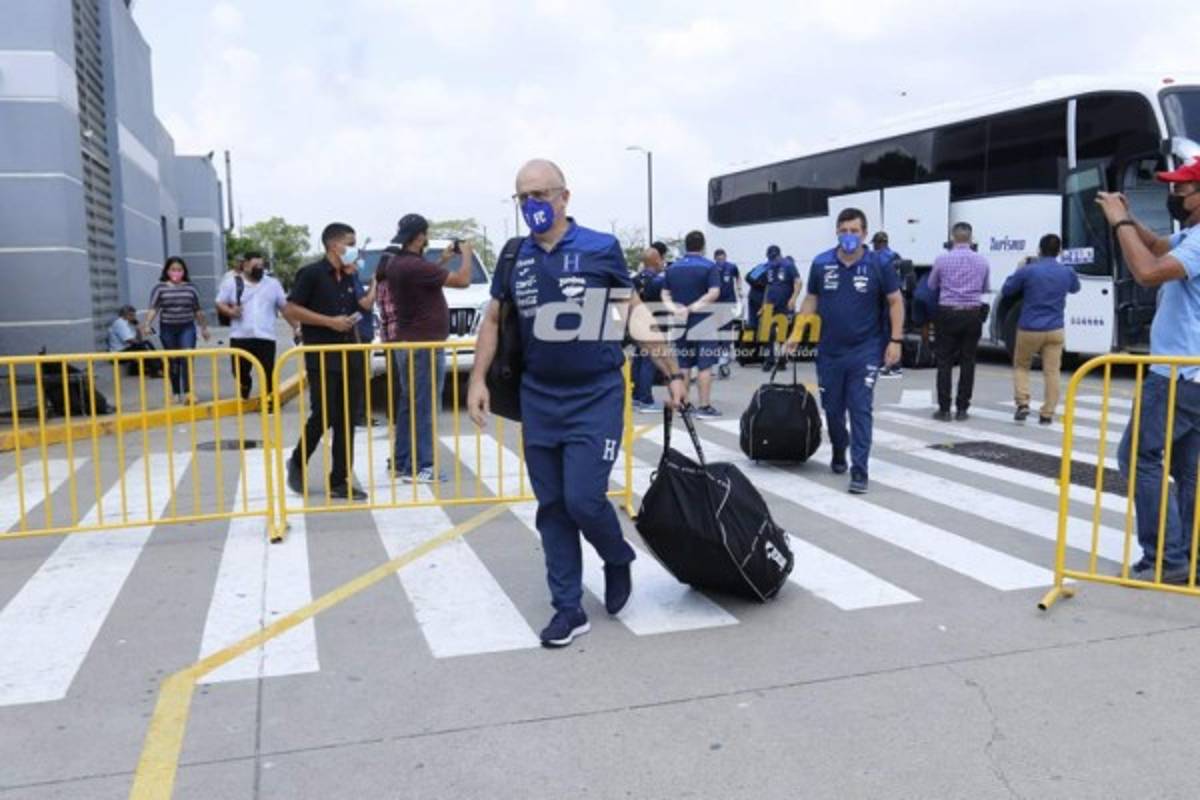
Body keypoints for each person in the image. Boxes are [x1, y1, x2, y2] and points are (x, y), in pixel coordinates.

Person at [467, 158, 686, 648]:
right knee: (553, 507)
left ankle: (617, 556)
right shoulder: (513, 256)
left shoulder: (599, 248)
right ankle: (567, 607)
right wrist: (477, 378)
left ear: (564, 197)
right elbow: (495, 321)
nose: (533, 205)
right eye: (524, 197)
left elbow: (633, 314)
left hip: (596, 394)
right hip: (539, 397)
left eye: (541, 195)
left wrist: (673, 372)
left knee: (584, 498)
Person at [1096, 156, 1200, 584]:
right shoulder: (1191, 236)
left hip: (1176, 373)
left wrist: (1119, 222)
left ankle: (1166, 559)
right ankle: (1191, 557)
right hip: (1194, 373)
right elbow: (1160, 248)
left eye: (1181, 189)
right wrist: (1133, 219)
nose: (1173, 196)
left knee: (1138, 457)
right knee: (1190, 468)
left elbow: (1147, 271)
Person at [787, 207, 903, 494]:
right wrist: (796, 333)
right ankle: (840, 447)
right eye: (844, 230)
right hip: (829, 351)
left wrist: (896, 340)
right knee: (833, 410)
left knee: (860, 408)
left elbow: (895, 302)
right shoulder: (821, 263)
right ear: (837, 232)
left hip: (866, 350)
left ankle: (859, 469)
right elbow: (811, 299)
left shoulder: (879, 264)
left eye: (854, 231)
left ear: (864, 234)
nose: (849, 236)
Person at [378, 213, 473, 483]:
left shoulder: (402, 263)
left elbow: (425, 273)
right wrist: (465, 253)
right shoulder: (413, 267)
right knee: (425, 406)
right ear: (419, 236)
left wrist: (443, 259)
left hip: (410, 342)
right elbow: (463, 280)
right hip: (423, 346)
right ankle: (422, 465)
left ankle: (402, 461)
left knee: (411, 404)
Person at [284, 222, 372, 502]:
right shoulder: (311, 274)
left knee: (347, 418)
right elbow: (292, 308)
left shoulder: (348, 276)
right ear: (335, 245)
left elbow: (360, 307)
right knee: (324, 414)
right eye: (350, 242)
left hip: (351, 353)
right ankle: (298, 460)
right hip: (322, 354)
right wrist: (329, 322)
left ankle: (340, 480)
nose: (353, 248)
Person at [1000, 234, 1080, 424]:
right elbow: (1075, 288)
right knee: (1052, 372)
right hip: (1055, 329)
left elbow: (1007, 290)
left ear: (1039, 250)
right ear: (1059, 251)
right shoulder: (1067, 272)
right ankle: (1047, 413)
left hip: (1029, 327)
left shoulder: (1028, 271)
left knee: (1021, 366)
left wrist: (1018, 269)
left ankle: (1023, 403)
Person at [928, 222, 990, 421]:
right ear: (971, 239)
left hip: (947, 313)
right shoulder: (982, 261)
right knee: (968, 361)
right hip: (972, 314)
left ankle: (944, 409)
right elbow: (985, 288)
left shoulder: (941, 260)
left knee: (944, 361)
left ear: (953, 238)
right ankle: (962, 408)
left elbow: (931, 285)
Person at [662, 230, 722, 417]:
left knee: (684, 364)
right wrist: (693, 307)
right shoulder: (709, 267)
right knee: (705, 365)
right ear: (703, 246)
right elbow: (714, 293)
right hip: (704, 321)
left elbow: (664, 294)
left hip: (680, 322)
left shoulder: (672, 268)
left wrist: (676, 309)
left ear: (685, 246)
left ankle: (684, 405)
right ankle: (704, 406)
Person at [215, 250, 288, 402]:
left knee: (268, 371)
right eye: (255, 265)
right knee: (239, 371)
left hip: (265, 336)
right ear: (245, 265)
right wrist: (230, 311)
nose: (259, 269)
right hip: (240, 336)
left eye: (262, 266)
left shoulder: (272, 284)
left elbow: (284, 307)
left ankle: (269, 400)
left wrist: (297, 327)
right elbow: (219, 302)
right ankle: (245, 386)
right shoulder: (232, 283)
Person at [142, 256, 210, 403]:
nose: (176, 272)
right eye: (173, 269)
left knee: (186, 357)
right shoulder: (160, 288)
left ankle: (188, 393)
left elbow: (198, 310)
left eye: (179, 270)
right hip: (168, 328)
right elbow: (154, 308)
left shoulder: (191, 287)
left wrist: (204, 328)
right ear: (167, 271)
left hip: (187, 327)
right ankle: (175, 392)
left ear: (184, 271)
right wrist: (147, 324)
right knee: (173, 361)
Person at [631, 246, 666, 412]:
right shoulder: (659, 281)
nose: (662, 262)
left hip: (636, 323)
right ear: (655, 260)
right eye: (660, 258)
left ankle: (636, 396)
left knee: (638, 359)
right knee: (649, 361)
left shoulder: (634, 279)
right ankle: (646, 399)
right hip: (653, 323)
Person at [761, 253, 802, 372]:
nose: (772, 260)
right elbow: (767, 287)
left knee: (782, 334)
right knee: (768, 333)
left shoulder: (789, 266)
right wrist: (764, 304)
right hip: (770, 305)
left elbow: (798, 283)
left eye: (774, 258)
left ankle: (782, 360)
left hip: (784, 306)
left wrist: (793, 299)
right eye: (770, 258)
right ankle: (769, 360)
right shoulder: (769, 268)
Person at [873, 232, 905, 378]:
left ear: (877, 243)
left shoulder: (878, 257)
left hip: (883, 299)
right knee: (895, 332)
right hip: (897, 296)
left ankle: (887, 365)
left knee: (884, 333)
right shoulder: (896, 256)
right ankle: (896, 365)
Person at [713, 248, 741, 378]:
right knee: (718, 327)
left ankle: (726, 350)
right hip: (716, 303)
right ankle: (719, 350)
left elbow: (738, 277)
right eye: (719, 259)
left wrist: (739, 289)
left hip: (729, 301)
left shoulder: (732, 267)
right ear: (715, 259)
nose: (721, 261)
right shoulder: (712, 268)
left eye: (723, 258)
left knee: (728, 326)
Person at [108, 305, 159, 376]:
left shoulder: (129, 324)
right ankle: (155, 370)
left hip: (126, 349)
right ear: (125, 315)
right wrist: (141, 343)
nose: (134, 317)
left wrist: (138, 329)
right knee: (144, 345)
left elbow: (139, 340)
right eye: (132, 315)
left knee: (145, 344)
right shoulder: (120, 323)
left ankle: (158, 367)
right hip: (118, 354)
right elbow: (130, 341)